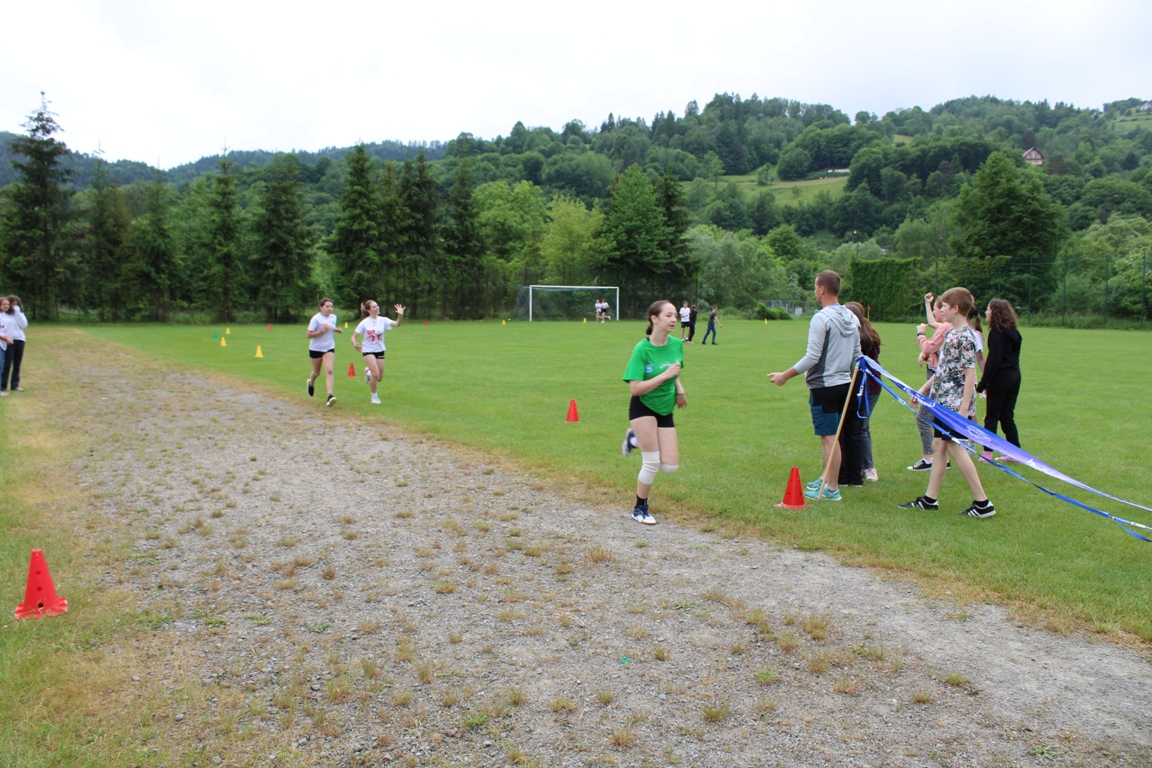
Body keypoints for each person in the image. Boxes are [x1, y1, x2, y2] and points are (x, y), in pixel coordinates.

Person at [899, 287, 996, 519]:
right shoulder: (951, 333)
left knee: (955, 447)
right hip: (942, 401)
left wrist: (963, 410)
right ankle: (929, 499)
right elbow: (942, 370)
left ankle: (983, 503)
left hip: (955, 405)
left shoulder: (966, 336)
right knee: (939, 446)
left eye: (944, 306)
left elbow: (970, 374)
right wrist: (922, 390)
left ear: (956, 308)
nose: (940, 309)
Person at [768, 271, 861, 501]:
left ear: (822, 289)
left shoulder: (821, 318)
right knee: (832, 437)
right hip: (844, 384)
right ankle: (827, 479)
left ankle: (832, 489)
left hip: (825, 386)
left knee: (829, 439)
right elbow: (857, 356)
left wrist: (785, 375)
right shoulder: (852, 317)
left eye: (814, 287)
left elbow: (812, 357)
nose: (814, 291)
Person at [620, 300, 687, 525]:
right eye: (668, 315)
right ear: (654, 318)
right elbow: (635, 388)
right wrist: (664, 376)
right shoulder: (642, 349)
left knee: (670, 466)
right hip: (643, 406)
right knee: (652, 462)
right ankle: (640, 508)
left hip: (665, 407)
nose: (674, 319)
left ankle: (634, 438)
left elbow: (675, 371)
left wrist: (680, 390)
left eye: (675, 315)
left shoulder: (676, 344)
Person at [977, 299, 1022, 462]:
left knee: (992, 415)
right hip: (1014, 376)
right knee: (1006, 415)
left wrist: (984, 383)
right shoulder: (1014, 332)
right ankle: (1016, 452)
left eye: (988, 310)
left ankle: (987, 453)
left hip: (1001, 377)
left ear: (995, 312)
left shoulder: (997, 333)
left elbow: (994, 360)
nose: (986, 312)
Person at [909, 294, 950, 471]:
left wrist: (921, 334)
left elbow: (929, 347)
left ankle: (929, 458)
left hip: (937, 378)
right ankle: (943, 458)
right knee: (939, 419)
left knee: (923, 418)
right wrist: (927, 303)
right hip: (938, 376)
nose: (935, 312)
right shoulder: (949, 327)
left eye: (939, 308)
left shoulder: (946, 328)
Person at [845, 302, 882, 482]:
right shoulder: (858, 333)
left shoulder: (864, 338)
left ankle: (869, 467)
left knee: (862, 427)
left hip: (869, 387)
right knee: (854, 426)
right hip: (857, 386)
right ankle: (855, 465)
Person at [352, 300, 404, 405]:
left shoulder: (383, 320)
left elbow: (397, 324)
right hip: (368, 350)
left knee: (379, 377)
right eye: (374, 307)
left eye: (377, 306)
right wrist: (355, 344)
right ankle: (374, 397)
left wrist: (400, 316)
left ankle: (368, 372)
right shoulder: (365, 322)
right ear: (369, 310)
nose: (377, 308)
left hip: (379, 350)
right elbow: (353, 337)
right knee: (375, 374)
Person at [306, 298, 341, 406]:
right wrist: (322, 330)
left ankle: (330, 396)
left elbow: (331, 326)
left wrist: (336, 329)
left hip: (329, 347)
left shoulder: (333, 317)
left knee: (329, 370)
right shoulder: (316, 319)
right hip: (316, 348)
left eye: (331, 306)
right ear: (321, 307)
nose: (330, 308)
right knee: (316, 372)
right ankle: (311, 383)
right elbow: (309, 334)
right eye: (327, 306)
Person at [1, 295, 27, 393]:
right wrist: (6, 338)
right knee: (7, 364)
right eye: (12, 304)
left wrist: (17, 311)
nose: (14, 306)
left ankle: (15, 385)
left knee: (17, 364)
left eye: (16, 304)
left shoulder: (18, 314)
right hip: (8, 340)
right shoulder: (3, 315)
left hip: (20, 339)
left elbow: (23, 324)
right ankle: (3, 385)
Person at [0, 297, 11, 397]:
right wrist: (5, 339)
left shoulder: (3, 316)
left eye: (7, 304)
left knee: (1, 367)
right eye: (4, 304)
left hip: (2, 344)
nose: (6, 306)